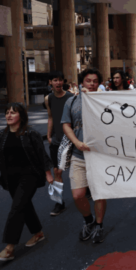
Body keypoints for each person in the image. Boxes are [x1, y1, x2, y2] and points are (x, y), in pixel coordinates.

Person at [0, 103, 54, 261]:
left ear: (21, 116)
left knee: (16, 208)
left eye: (13, 113)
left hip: (29, 176)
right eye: (7, 112)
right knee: (24, 206)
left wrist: (48, 173)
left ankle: (9, 248)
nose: (9, 115)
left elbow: (41, 155)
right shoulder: (3, 135)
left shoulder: (31, 133)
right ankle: (38, 233)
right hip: (10, 178)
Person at [62, 68, 107, 244]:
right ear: (82, 83)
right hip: (79, 155)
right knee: (78, 195)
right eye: (89, 81)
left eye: (95, 81)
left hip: (100, 156)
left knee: (99, 193)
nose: (92, 84)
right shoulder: (72, 102)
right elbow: (66, 125)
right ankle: (89, 220)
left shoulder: (105, 101)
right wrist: (77, 143)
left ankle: (99, 225)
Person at [45, 71, 73, 216]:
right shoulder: (48, 98)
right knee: (57, 171)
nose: (58, 83)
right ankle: (58, 202)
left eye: (60, 80)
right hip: (56, 139)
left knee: (77, 167)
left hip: (71, 139)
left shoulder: (70, 97)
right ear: (50, 82)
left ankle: (86, 188)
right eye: (55, 80)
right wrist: (49, 135)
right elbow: (50, 117)